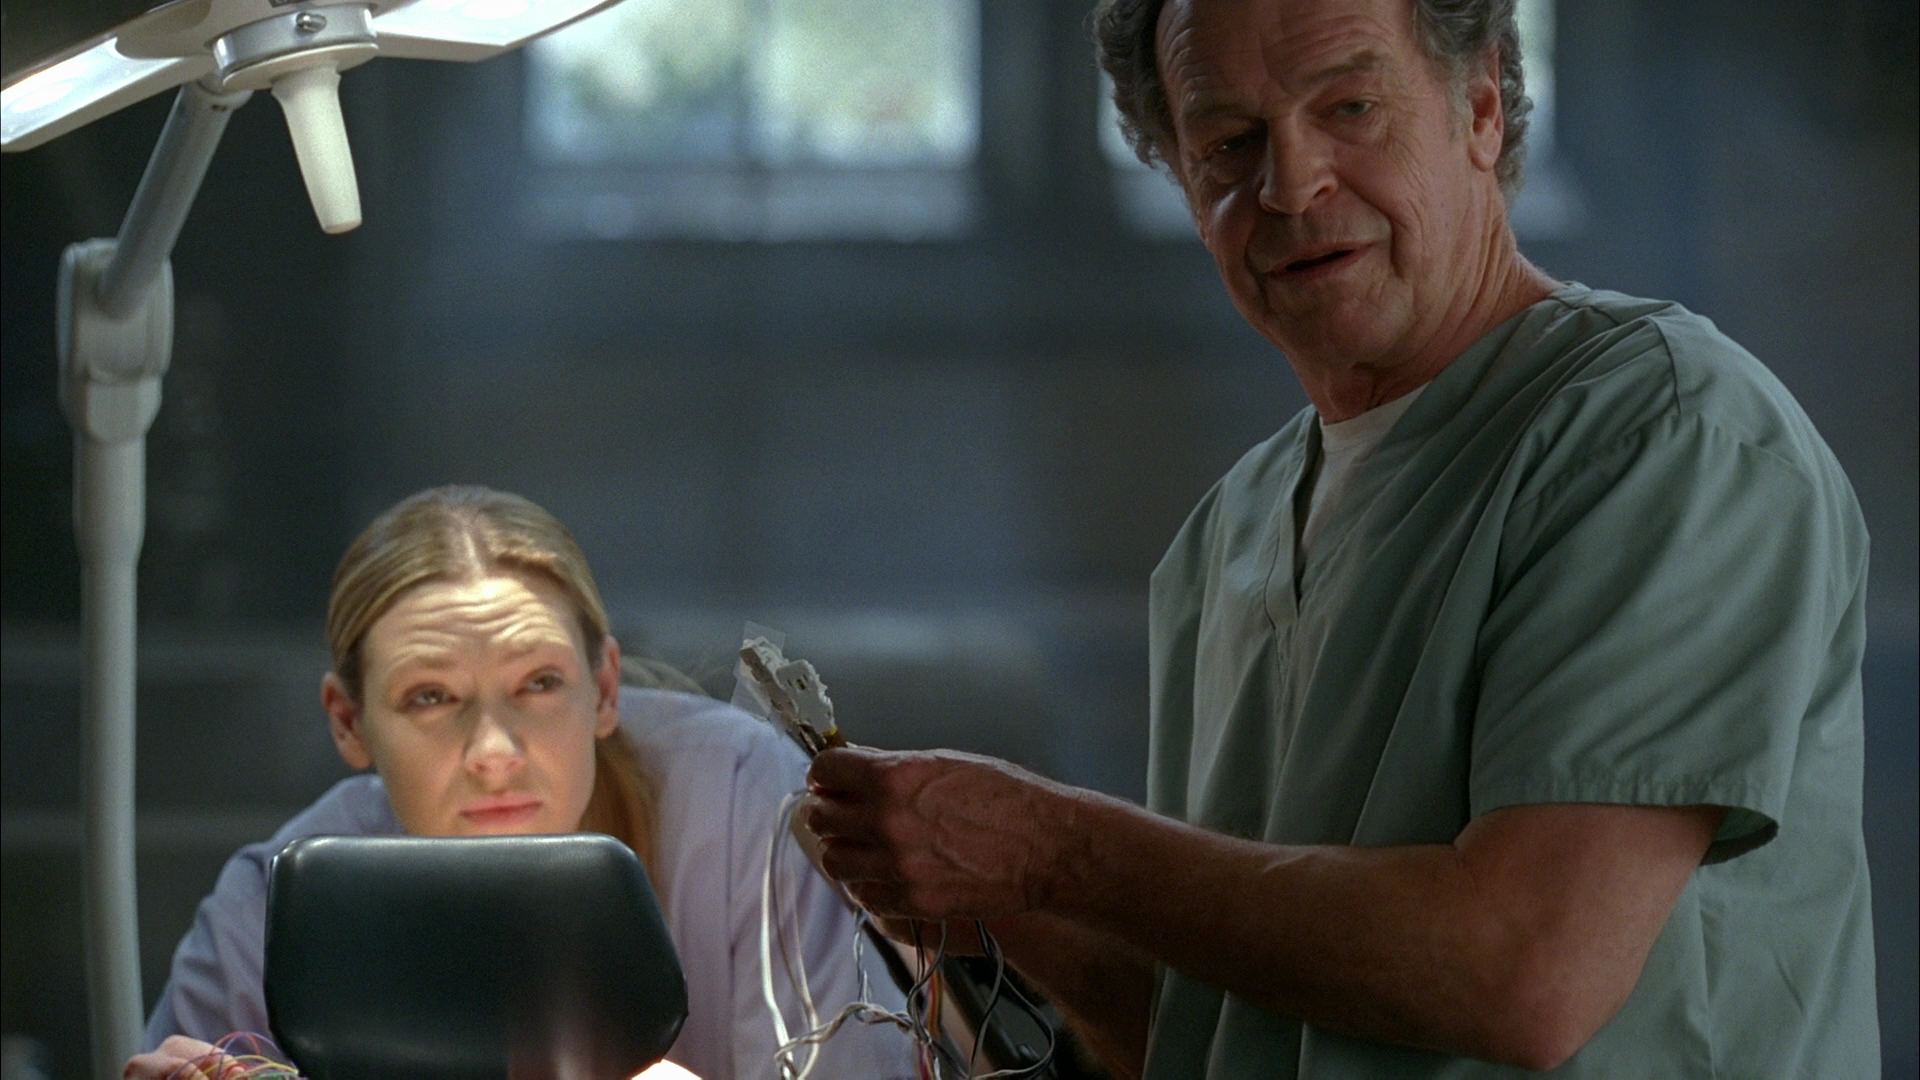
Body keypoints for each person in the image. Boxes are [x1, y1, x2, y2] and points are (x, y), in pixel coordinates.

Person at [799, 1, 1878, 1077]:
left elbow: (1527, 972)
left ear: (1481, 108)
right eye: (1229, 143)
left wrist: (1055, 849)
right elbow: (1208, 1037)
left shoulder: (1663, 433)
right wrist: (991, 897)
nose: (1289, 184)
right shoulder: (1231, 534)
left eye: (1350, 108)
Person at [126, 485, 914, 1080]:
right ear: (348, 721)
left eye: (539, 683)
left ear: (604, 688)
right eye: (430, 698)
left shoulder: (739, 802)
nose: (494, 752)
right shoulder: (275, 912)